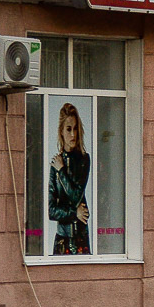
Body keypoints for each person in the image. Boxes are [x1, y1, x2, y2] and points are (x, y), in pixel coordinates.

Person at [48, 103, 91, 255]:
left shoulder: (84, 160)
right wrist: (75, 213)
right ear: (61, 131)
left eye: (75, 129)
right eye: (68, 129)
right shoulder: (56, 163)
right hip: (62, 239)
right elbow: (51, 211)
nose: (73, 134)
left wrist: (61, 171)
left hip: (80, 237)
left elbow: (76, 195)